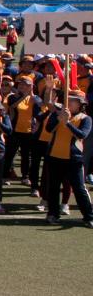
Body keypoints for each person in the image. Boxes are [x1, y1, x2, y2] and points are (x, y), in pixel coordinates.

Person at [41, 90, 93, 227]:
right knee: (53, 187)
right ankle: (53, 214)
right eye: (68, 100)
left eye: (73, 100)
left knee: (79, 188)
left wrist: (68, 122)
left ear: (80, 104)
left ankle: (89, 216)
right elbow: (48, 129)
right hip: (54, 156)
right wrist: (60, 120)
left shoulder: (85, 118)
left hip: (74, 159)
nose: (69, 102)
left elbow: (82, 135)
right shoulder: (57, 114)